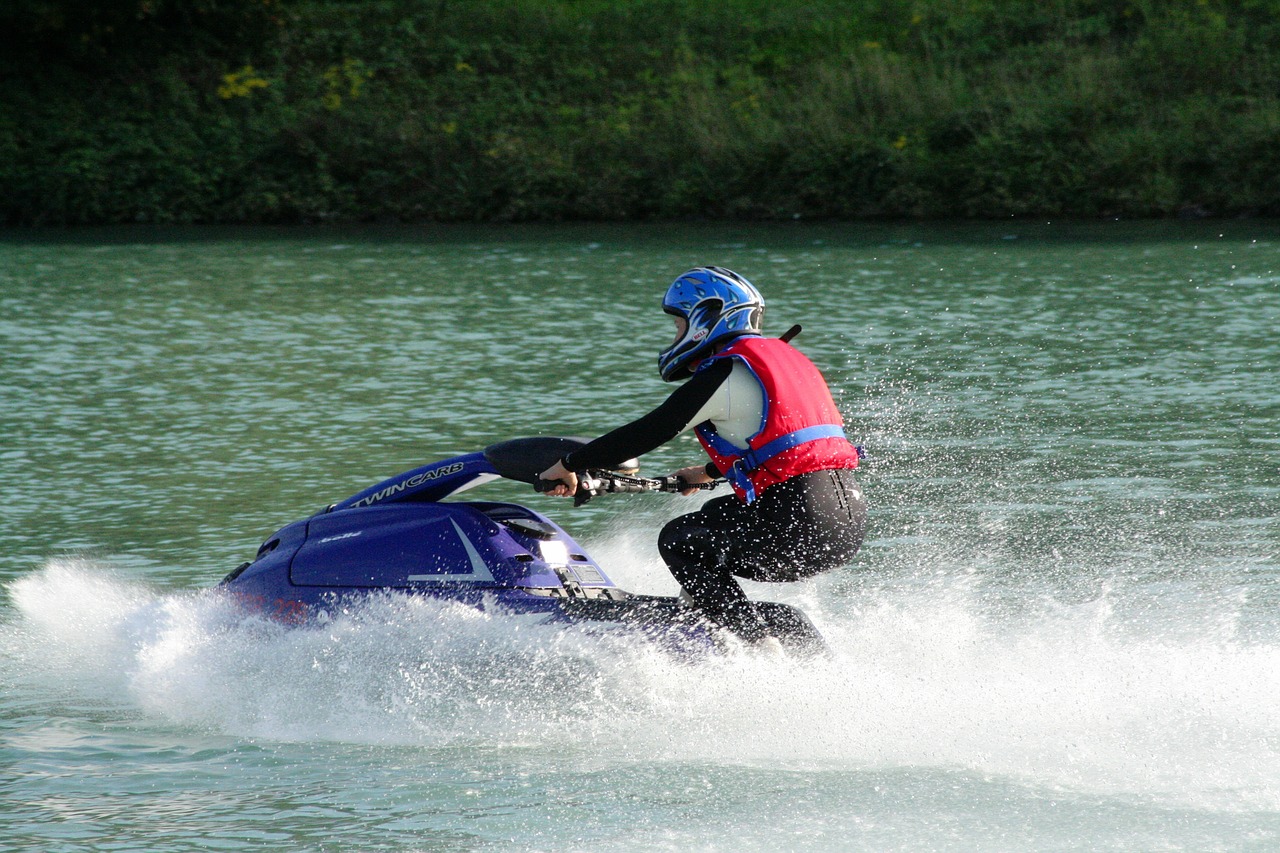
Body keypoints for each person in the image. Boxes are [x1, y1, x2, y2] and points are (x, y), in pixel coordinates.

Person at [539, 266, 866, 641]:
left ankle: (752, 643)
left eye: (678, 325)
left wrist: (567, 465)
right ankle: (728, 617)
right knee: (713, 518)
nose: (675, 335)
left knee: (680, 539)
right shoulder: (785, 362)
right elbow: (787, 449)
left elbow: (649, 431)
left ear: (705, 318)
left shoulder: (725, 371)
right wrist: (709, 472)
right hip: (844, 522)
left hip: (796, 524)